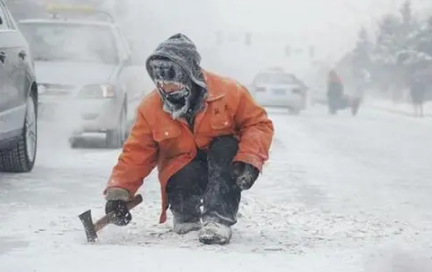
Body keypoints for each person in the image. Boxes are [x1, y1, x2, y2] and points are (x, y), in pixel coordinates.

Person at [102, 33, 274, 245]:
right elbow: (136, 152)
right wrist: (119, 193)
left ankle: (218, 220)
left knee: (226, 145)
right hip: (182, 172)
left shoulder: (229, 92)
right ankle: (186, 216)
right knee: (181, 163)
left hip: (221, 167)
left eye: (172, 83)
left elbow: (258, 124)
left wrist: (249, 159)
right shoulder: (150, 108)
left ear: (190, 75)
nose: (165, 88)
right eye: (161, 83)